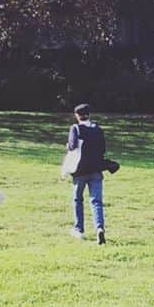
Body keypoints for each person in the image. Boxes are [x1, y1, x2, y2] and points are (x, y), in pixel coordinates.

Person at [66, 103, 108, 244]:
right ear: (89, 115)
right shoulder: (98, 129)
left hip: (80, 170)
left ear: (77, 115)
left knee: (78, 199)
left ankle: (79, 229)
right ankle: (99, 228)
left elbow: (72, 147)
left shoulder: (76, 128)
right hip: (96, 169)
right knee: (96, 201)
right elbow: (103, 149)